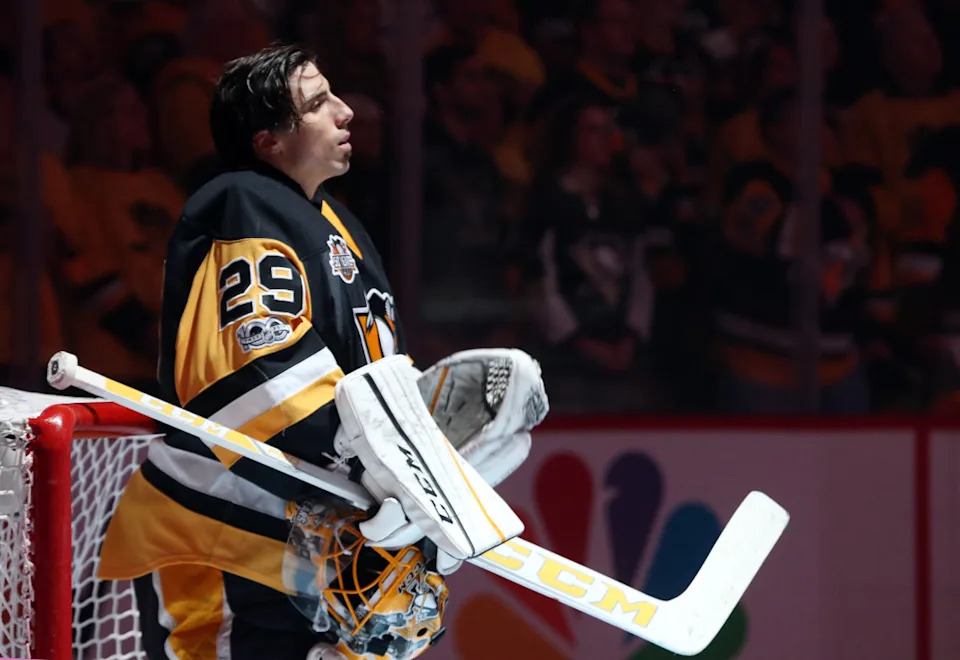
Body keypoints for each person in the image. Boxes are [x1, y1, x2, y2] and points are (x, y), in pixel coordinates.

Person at [96, 44, 545, 660]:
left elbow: (378, 386)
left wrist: (417, 495)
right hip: (224, 533)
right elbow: (251, 374)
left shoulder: (342, 226)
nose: (346, 112)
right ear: (268, 142)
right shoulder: (241, 202)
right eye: (317, 103)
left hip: (305, 539)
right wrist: (387, 478)